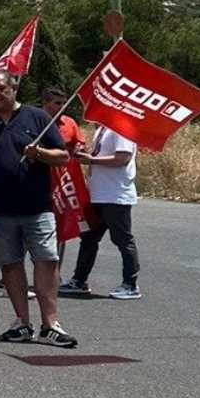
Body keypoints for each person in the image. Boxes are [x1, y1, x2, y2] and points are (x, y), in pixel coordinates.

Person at [0, 70, 77, 347]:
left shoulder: (37, 117)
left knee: (47, 261)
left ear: (14, 89)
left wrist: (39, 153)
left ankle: (51, 324)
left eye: (0, 89)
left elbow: (63, 156)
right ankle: (22, 322)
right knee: (10, 264)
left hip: (38, 208)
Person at [63, 125, 141, 300]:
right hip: (99, 194)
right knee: (89, 237)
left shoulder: (122, 129)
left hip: (115, 195)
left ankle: (130, 284)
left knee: (122, 239)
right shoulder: (103, 129)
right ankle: (79, 280)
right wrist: (84, 154)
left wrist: (92, 160)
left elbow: (123, 158)